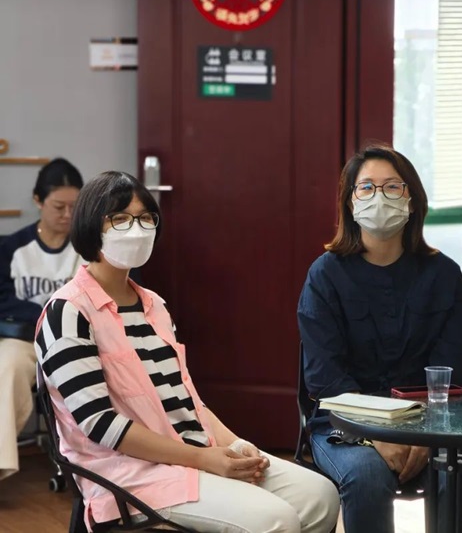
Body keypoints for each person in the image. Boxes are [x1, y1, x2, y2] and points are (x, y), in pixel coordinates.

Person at [34, 171, 339, 533]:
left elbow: (187, 400)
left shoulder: (155, 306)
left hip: (194, 455)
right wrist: (203, 459)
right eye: (120, 218)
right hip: (131, 476)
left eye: (145, 218)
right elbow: (100, 424)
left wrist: (236, 445)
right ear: (91, 226)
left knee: (321, 495)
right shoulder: (68, 312)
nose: (136, 229)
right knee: (276, 519)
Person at [297, 143, 462, 533]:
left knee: (461, 468)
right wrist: (375, 437)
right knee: (368, 476)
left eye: (392, 186)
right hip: (345, 426)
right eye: (366, 187)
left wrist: (427, 438)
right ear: (350, 203)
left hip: (430, 423)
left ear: (412, 199)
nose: (379, 197)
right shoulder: (325, 276)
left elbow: (453, 372)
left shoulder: (443, 275)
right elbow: (325, 379)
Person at [0, 158, 83, 481]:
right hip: (25, 341)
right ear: (38, 201)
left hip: (76, 341)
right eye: (59, 207)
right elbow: (3, 300)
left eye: (75, 207)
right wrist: (49, 314)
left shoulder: (90, 248)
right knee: (7, 365)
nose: (67, 215)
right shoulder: (11, 248)